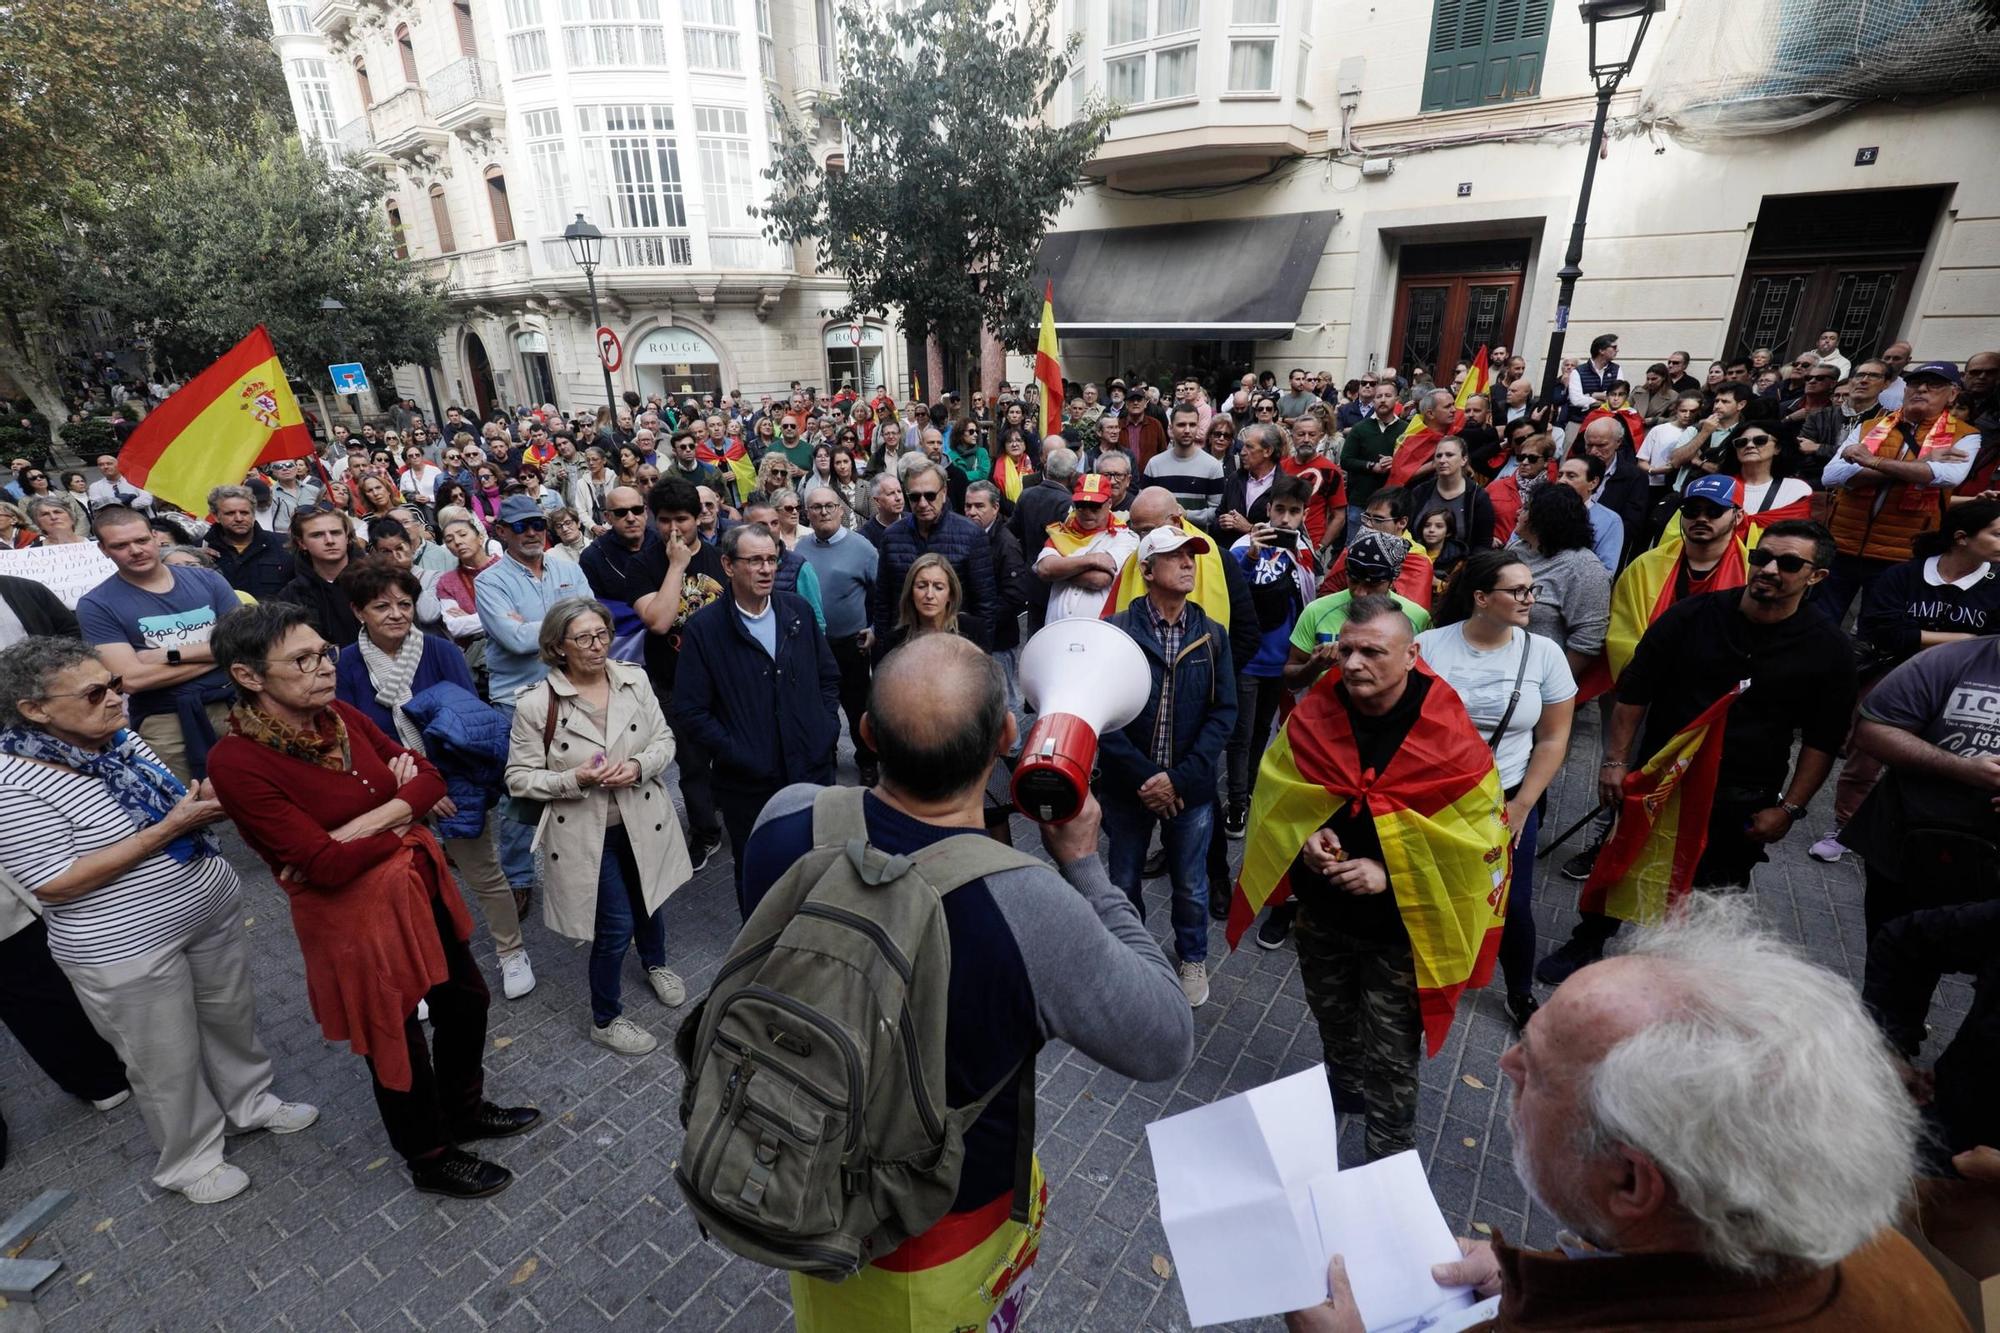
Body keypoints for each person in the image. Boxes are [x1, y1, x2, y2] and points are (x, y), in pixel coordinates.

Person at [739, 635, 1193, 1331]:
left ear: (865, 731)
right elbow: (1165, 1039)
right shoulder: (1031, 905)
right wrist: (1084, 867)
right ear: (1008, 736)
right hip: (943, 1229)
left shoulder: (787, 816)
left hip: (806, 1168)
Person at [1290, 899, 1962, 1333]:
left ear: (1632, 1184)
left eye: (1540, 1070)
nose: (1506, 1065)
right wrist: (1548, 1269)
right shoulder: (1874, 1249)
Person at [207, 602, 540, 1199]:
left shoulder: (337, 716)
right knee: (395, 1032)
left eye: (324, 653)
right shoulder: (237, 761)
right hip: (349, 918)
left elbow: (432, 779)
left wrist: (372, 820)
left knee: (465, 1000)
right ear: (249, 676)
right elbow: (324, 867)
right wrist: (401, 811)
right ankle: (430, 1155)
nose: (324, 668)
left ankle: (464, 1111)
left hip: (414, 886)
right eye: (302, 660)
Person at [0, 638, 315, 1204]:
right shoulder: (11, 781)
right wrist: (170, 828)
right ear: (34, 709)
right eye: (96, 692)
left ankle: (251, 1104)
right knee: (163, 1059)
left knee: (230, 1020)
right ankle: (191, 1161)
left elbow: (169, 799)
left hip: (206, 911)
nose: (117, 699)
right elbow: (53, 881)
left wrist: (210, 797)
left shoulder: (116, 737)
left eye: (116, 685)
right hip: (123, 948)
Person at [1239, 596, 1508, 1160]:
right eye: (1346, 649)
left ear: (1411, 655)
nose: (1354, 663)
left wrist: (1390, 872)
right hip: (1322, 913)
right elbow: (1284, 788)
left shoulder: (1447, 732)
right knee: (1332, 1018)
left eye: (1372, 652)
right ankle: (1343, 1091)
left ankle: (1388, 1160)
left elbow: (1478, 839)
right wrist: (1303, 838)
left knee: (1391, 1054)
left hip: (1399, 931)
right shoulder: (1318, 710)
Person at [1538, 522, 1858, 983]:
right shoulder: (1692, 615)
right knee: (1623, 862)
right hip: (1660, 776)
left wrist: (1789, 808)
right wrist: (1615, 761)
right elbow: (1634, 692)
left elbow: (1823, 739)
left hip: (1745, 791)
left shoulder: (1829, 650)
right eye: (1761, 556)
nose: (1768, 569)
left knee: (1716, 891)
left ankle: (1684, 976)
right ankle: (1587, 941)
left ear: (1817, 577)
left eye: (1788, 564)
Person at [333, 558, 534, 1001]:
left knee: (483, 871)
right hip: (388, 793)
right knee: (405, 882)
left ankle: (511, 950)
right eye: (381, 605)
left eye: (405, 603)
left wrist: (435, 784)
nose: (396, 613)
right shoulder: (348, 663)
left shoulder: (440, 651)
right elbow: (350, 738)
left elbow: (467, 726)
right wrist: (407, 790)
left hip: (452, 783)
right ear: (358, 611)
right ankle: (418, 969)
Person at [504, 598, 691, 1057]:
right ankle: (605, 1018)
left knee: (651, 897)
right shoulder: (536, 704)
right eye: (584, 638)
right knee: (613, 925)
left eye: (602, 634)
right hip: (585, 834)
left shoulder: (634, 679)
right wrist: (575, 778)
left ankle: (655, 963)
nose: (596, 645)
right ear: (558, 646)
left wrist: (640, 766)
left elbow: (665, 740)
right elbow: (518, 778)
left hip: (641, 817)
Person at [1418, 552, 1575, 1030]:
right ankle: (1426, 976)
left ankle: (1519, 990)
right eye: (1519, 591)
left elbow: (1553, 738)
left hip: (1505, 799)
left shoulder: (1543, 653)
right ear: (1481, 598)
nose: (1530, 599)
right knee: (1430, 889)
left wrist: (1522, 805)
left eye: (1532, 590)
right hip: (1434, 796)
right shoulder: (1428, 646)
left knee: (1513, 901)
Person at [672, 522, 841, 913]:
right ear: (728, 566)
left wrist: (824, 728)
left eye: (772, 559)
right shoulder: (704, 630)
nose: (767, 569)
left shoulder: (796, 612)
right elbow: (691, 710)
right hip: (748, 786)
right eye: (755, 561)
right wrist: (738, 752)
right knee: (759, 876)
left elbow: (828, 676)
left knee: (819, 867)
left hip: (810, 770)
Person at [476, 493, 591, 899]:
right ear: (502, 531)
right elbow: (514, 638)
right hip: (519, 699)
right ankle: (519, 878)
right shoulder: (489, 581)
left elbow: (590, 620)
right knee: (520, 793)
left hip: (573, 689)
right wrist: (568, 626)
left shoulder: (565, 567)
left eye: (537, 524)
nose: (532, 533)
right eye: (521, 526)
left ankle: (582, 865)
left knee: (580, 779)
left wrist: (544, 628)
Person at [76, 506, 239, 785]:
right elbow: (131, 680)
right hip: (165, 719)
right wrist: (221, 653)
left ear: (154, 537)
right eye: (120, 545)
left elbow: (246, 643)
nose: (135, 550)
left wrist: (169, 655)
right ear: (103, 550)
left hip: (235, 704)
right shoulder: (97, 604)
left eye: (141, 540)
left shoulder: (208, 579)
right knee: (186, 802)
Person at [1819, 360, 1980, 623]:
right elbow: (1832, 476)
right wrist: (1920, 465)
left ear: (1952, 394)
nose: (1922, 389)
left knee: (1876, 628)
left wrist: (1871, 462)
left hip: (1902, 552)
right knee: (1822, 621)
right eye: (1915, 383)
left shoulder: (1965, 436)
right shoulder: (1870, 427)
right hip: (1842, 543)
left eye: (1934, 385)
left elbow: (1946, 477)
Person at [1223, 475, 1317, 835]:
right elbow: (1231, 594)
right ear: (1268, 510)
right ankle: (1236, 802)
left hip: (1281, 660)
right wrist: (1250, 556)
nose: (1286, 519)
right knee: (1241, 734)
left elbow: (1308, 602)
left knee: (1263, 728)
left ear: (1304, 514)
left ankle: (1248, 789)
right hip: (1248, 658)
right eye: (1280, 510)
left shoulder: (1303, 552)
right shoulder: (1241, 547)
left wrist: (1297, 557)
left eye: (1294, 512)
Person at [798, 484, 880, 784]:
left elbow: (882, 595)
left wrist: (874, 629)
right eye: (816, 507)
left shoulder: (863, 548)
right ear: (807, 514)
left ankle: (868, 759)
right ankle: (825, 755)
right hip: (813, 645)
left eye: (829, 506)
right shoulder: (801, 549)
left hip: (852, 645)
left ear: (841, 510)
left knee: (859, 706)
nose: (823, 512)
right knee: (819, 706)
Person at [870, 461, 997, 653]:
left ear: (944, 492)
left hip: (956, 647)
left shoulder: (971, 535)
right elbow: (882, 601)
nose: (922, 503)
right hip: (905, 647)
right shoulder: (891, 536)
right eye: (914, 497)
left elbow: (985, 604)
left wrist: (977, 657)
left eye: (930, 496)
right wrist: (884, 651)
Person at [1510, 484, 1611, 680]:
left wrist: (1553, 687)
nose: (1518, 512)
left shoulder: (1584, 568)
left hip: (1539, 680)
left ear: (1545, 518)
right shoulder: (1517, 549)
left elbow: (1588, 639)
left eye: (1526, 508)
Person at [1033, 472, 1139, 624]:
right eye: (1081, 506)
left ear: (1109, 504)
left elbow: (1099, 579)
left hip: (1100, 629)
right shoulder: (1062, 532)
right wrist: (1092, 560)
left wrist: (1060, 571)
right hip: (1057, 628)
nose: (1087, 512)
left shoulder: (1125, 537)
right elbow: (1044, 569)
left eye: (1095, 506)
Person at [275, 503, 361, 647]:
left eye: (335, 533)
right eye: (317, 535)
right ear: (302, 543)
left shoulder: (378, 581)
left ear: (347, 536)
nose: (329, 541)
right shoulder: (291, 595)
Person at [203, 484, 293, 603]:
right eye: (230, 513)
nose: (239, 518)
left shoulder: (285, 545)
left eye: (244, 512)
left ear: (253, 514)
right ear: (216, 516)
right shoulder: (200, 550)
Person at [1142, 402, 1226, 528]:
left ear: (1198, 427)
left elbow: (1218, 513)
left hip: (1198, 543)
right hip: (1162, 542)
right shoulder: (1154, 464)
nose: (1187, 430)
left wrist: (1187, 515)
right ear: (1170, 428)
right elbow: (1144, 506)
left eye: (1192, 425)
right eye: (1181, 425)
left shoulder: (1212, 466)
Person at [1409, 436, 1495, 555]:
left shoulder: (1477, 497)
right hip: (1417, 562)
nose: (1442, 460)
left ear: (1464, 460)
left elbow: (1483, 543)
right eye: (1438, 456)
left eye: (1449, 455)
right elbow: (1406, 532)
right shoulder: (1420, 492)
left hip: (1462, 567)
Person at [87, 453, 154, 513]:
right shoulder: (95, 486)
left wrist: (125, 505)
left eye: (109, 463)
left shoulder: (135, 480)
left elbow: (146, 500)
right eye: (101, 465)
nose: (105, 467)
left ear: (118, 465)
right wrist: (124, 503)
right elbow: (98, 505)